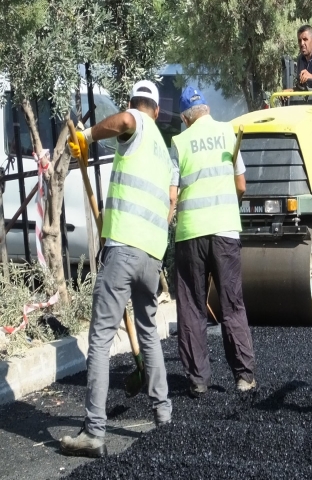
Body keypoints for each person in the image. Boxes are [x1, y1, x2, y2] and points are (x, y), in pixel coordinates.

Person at [61, 80, 175, 457]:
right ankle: (163, 415)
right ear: (157, 109)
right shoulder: (162, 147)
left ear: (138, 105)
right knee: (148, 335)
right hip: (152, 255)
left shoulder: (137, 123)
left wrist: (88, 135)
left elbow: (126, 120)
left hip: (124, 246)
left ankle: (94, 432)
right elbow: (171, 199)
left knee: (100, 338)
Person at [171, 86, 256, 398]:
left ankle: (198, 380)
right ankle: (244, 377)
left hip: (190, 234)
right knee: (232, 303)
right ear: (205, 108)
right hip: (225, 232)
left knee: (192, 305)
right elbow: (241, 185)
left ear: (185, 117)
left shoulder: (179, 142)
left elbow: (172, 193)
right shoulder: (229, 133)